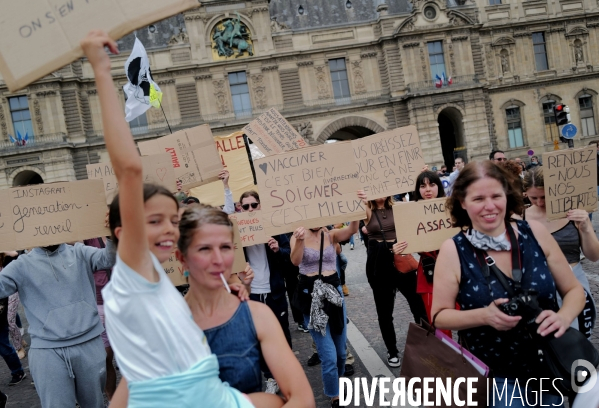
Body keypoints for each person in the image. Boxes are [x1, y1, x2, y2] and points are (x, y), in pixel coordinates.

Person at [82, 30, 268, 408]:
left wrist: (228, 285)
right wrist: (102, 71)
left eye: (172, 219)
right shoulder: (136, 272)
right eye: (152, 221)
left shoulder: (153, 283)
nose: (168, 228)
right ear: (124, 232)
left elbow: (133, 381)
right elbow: (131, 171)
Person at [112, 206, 314, 407]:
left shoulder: (257, 316)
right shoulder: (160, 326)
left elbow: (302, 399)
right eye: (204, 249)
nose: (218, 260)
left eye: (225, 247)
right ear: (182, 259)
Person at [432, 161, 585, 407]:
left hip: (549, 366)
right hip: (497, 377)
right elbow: (439, 316)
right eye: (478, 198)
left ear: (507, 195)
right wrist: (484, 316)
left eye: (496, 196)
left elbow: (574, 290)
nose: (489, 206)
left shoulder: (535, 233)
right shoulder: (453, 250)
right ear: (462, 202)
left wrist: (564, 317)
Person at [291, 220, 358, 408]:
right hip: (311, 297)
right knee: (328, 356)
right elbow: (295, 261)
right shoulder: (297, 235)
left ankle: (339, 381)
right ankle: (335, 396)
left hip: (334, 295)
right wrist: (299, 240)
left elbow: (352, 229)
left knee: (341, 353)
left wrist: (356, 210)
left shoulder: (330, 234)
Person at [523, 167, 598, 337]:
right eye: (533, 198)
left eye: (544, 197)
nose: (540, 203)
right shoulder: (520, 217)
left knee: (577, 337)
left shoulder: (572, 213)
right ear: (525, 193)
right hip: (539, 285)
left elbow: (593, 256)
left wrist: (585, 227)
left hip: (574, 280)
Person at [361, 193, 429, 368]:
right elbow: (352, 214)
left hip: (402, 262)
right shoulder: (367, 208)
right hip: (380, 266)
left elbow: (417, 214)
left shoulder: (398, 206)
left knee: (418, 306)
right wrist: (360, 197)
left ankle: (426, 346)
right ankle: (392, 351)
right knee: (385, 312)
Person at [237, 190, 294, 394]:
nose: (250, 209)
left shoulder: (274, 227)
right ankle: (270, 377)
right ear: (240, 209)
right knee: (257, 337)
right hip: (252, 292)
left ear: (260, 205)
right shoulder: (240, 231)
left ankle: (287, 373)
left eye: (254, 205)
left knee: (282, 333)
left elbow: (291, 258)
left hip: (274, 291)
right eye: (246, 207)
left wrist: (279, 249)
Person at [393, 171, 448, 326]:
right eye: (423, 186)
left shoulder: (451, 208)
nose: (428, 189)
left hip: (454, 271)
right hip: (429, 272)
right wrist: (398, 248)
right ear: (417, 190)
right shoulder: (411, 214)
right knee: (436, 322)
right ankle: (443, 350)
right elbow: (406, 241)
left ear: (439, 186)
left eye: (432, 184)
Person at [83, 237, 117, 401]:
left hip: (124, 301)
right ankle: (112, 399)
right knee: (105, 357)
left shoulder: (121, 229)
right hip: (97, 302)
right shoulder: (86, 238)